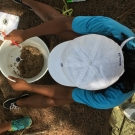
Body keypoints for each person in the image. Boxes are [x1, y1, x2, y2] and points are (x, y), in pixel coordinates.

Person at [3, 0, 135, 110]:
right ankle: (27, 0)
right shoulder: (115, 32)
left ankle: (20, 102)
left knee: (53, 100)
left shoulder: (110, 97)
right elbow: (64, 23)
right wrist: (25, 34)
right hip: (104, 42)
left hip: (100, 84)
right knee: (55, 20)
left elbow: (67, 93)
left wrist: (29, 87)